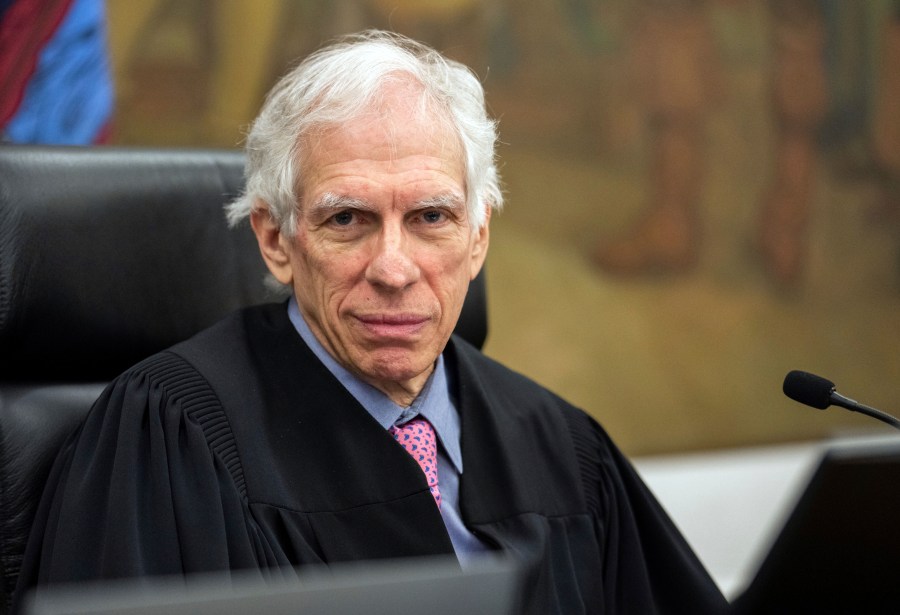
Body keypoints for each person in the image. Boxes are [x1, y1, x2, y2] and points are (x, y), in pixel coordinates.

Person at [15, 30, 728, 614]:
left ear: (479, 236)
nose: (394, 267)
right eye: (348, 219)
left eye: (431, 218)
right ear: (275, 239)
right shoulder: (167, 438)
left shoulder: (562, 448)